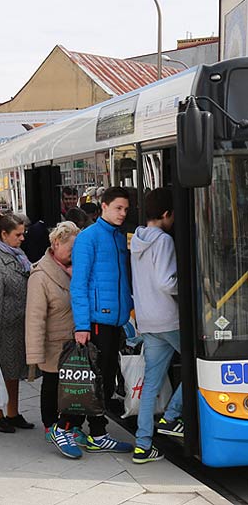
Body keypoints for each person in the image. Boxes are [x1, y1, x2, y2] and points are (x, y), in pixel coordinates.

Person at [70, 186, 133, 453]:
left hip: (115, 320)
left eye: (126, 210)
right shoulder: (88, 238)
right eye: (118, 208)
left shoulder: (119, 237)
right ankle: (87, 430)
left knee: (105, 376)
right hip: (97, 320)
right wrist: (82, 325)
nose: (122, 213)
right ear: (103, 206)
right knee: (94, 377)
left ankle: (90, 429)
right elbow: (79, 284)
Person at [26, 221, 88, 458]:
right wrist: (35, 354)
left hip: (75, 342)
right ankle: (51, 426)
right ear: (55, 244)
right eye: (70, 249)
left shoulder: (77, 268)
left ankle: (71, 427)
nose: (74, 255)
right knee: (52, 384)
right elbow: (34, 317)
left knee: (75, 388)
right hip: (54, 342)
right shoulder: (40, 276)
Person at [131, 188, 182, 464]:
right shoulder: (163, 241)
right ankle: (172, 417)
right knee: (199, 368)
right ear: (165, 214)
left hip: (147, 319)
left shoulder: (137, 239)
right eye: (173, 215)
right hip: (169, 318)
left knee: (151, 382)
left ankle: (142, 445)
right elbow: (166, 282)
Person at [0, 212, 34, 433]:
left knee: (13, 373)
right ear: (4, 234)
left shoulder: (16, 254)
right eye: (18, 234)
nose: (22, 238)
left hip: (16, 325)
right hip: (2, 328)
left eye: (23, 234)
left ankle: (13, 412)